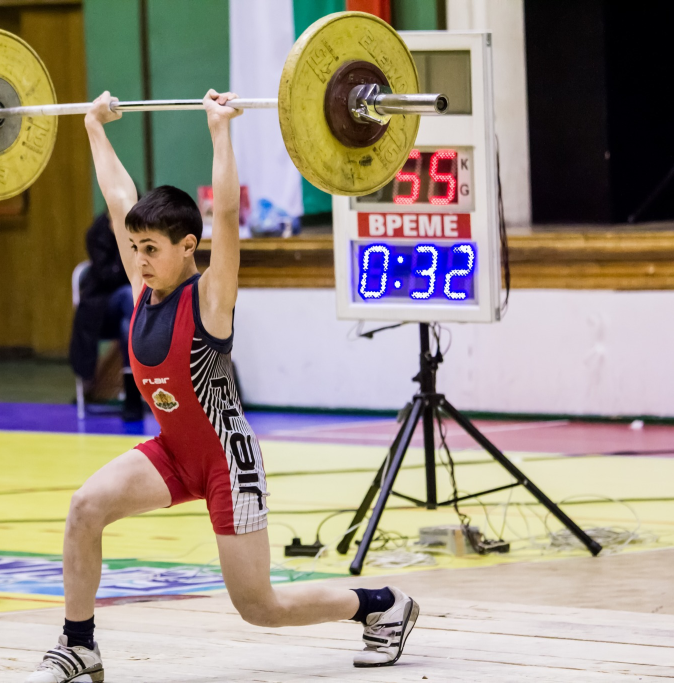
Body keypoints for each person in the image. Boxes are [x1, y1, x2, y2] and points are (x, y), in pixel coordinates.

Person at [24, 91, 420, 683]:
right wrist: (93, 128)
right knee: (86, 508)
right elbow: (118, 198)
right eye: (135, 248)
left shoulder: (210, 298)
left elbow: (229, 218)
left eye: (151, 249)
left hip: (227, 463)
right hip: (173, 452)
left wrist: (220, 131)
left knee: (259, 607)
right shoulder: (142, 286)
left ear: (189, 247)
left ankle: (382, 607)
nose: (140, 259)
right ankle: (78, 645)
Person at [68, 211, 143, 421]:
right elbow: (109, 276)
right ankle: (135, 393)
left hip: (131, 313)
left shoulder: (144, 230)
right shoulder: (98, 233)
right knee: (128, 296)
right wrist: (122, 240)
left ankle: (132, 397)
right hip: (100, 309)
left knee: (127, 327)